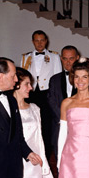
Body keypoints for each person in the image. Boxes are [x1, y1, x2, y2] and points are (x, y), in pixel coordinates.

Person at [21, 30, 62, 161]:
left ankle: (46, 154)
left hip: (47, 94)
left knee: (46, 124)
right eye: (37, 41)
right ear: (33, 41)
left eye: (42, 40)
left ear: (46, 41)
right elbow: (21, 77)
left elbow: (57, 77)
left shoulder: (55, 57)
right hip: (30, 93)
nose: (39, 43)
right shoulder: (25, 57)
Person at [47, 45, 80, 160]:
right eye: (65, 58)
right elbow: (51, 102)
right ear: (61, 58)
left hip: (79, 128)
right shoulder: (54, 79)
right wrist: (63, 119)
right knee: (60, 161)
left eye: (71, 58)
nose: (68, 62)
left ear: (77, 58)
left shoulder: (85, 79)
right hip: (59, 127)